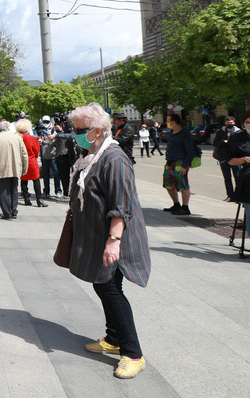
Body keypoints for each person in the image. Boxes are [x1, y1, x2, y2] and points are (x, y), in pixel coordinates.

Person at [66, 102, 152, 380]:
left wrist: (113, 240)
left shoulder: (114, 159)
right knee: (103, 286)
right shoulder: (92, 155)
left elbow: (121, 204)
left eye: (82, 129)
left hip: (116, 238)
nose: (76, 134)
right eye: (75, 129)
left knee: (110, 290)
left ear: (99, 131)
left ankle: (133, 353)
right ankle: (114, 339)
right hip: (99, 237)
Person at [226, 110, 250, 267]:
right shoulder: (236, 139)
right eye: (248, 122)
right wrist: (244, 159)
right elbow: (230, 161)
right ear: (243, 123)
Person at [0, 120, 29, 219]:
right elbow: (24, 154)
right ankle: (14, 211)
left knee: (4, 190)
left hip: (1, 168)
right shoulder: (17, 138)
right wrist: (24, 168)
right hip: (15, 167)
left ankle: (7, 212)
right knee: (14, 189)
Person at [163, 113, 196, 215]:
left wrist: (185, 165)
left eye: (168, 121)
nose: (166, 123)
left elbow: (191, 152)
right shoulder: (171, 132)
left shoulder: (184, 134)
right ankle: (176, 204)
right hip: (170, 161)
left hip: (180, 162)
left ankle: (185, 208)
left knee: (183, 185)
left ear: (173, 122)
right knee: (168, 184)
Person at [15, 118, 47, 207]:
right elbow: (37, 150)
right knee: (36, 180)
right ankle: (39, 199)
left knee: (24, 180)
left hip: (21, 161)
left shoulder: (17, 138)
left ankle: (26, 199)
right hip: (31, 160)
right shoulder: (32, 138)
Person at [212, 116, 241, 201]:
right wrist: (223, 142)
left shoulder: (238, 132)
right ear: (225, 123)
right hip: (223, 158)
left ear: (234, 123)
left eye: (231, 123)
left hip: (235, 158)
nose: (229, 124)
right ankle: (230, 196)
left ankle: (238, 195)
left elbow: (242, 144)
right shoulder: (221, 132)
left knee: (238, 177)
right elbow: (215, 143)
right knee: (227, 178)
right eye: (228, 123)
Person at [38, 129, 61, 199]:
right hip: (44, 157)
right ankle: (46, 191)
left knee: (56, 174)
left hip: (53, 157)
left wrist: (43, 141)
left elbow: (51, 142)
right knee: (45, 175)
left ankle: (58, 191)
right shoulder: (41, 135)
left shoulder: (53, 134)